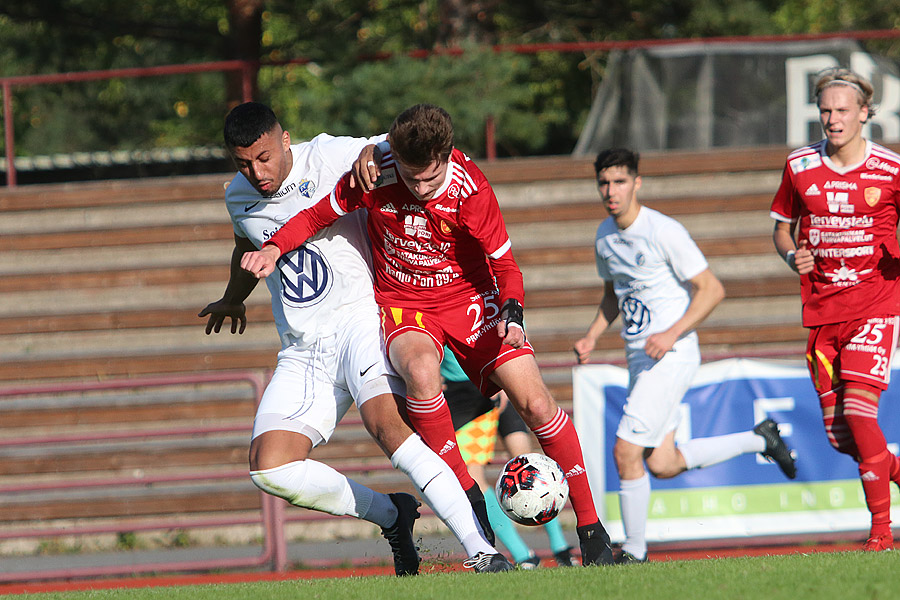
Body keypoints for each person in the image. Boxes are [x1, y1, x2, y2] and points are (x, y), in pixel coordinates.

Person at [240, 103, 615, 567]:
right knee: (420, 370)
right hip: (405, 303)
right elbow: (316, 215)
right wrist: (275, 247)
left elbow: (504, 264)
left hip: (471, 300)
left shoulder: (471, 187)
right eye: (412, 178)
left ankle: (593, 531)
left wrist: (513, 315)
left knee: (537, 403)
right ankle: (469, 498)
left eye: (429, 180)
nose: (419, 188)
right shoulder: (376, 171)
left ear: (448, 155)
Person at [199, 101, 510, 574]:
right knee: (269, 467)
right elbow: (247, 244)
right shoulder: (238, 196)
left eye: (263, 157)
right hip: (303, 349)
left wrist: (369, 151)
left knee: (389, 429)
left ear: (284, 140)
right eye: (243, 162)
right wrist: (232, 297)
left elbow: (397, 147)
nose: (256, 172)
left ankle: (482, 550)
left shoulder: (326, 155)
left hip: (361, 322)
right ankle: (393, 514)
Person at [574, 148, 797, 563]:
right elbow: (613, 294)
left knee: (626, 452)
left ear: (636, 183)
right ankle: (760, 438)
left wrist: (671, 332)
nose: (611, 190)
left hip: (672, 355)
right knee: (661, 463)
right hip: (641, 360)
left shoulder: (663, 231)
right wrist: (591, 337)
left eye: (620, 181)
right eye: (604, 182)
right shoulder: (605, 235)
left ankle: (634, 553)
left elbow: (712, 288)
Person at [770, 67, 900, 552]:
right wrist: (790, 254)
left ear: (865, 113)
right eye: (825, 110)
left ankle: (882, 535)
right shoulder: (800, 165)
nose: (832, 119)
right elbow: (783, 227)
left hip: (876, 304)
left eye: (842, 110)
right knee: (840, 437)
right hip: (823, 314)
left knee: (860, 414)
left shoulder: (890, 169)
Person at [441, 349, 575, 568]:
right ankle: (523, 555)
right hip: (464, 393)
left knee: (529, 462)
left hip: (500, 378)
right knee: (473, 475)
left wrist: (505, 377)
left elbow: (513, 332)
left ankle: (560, 548)